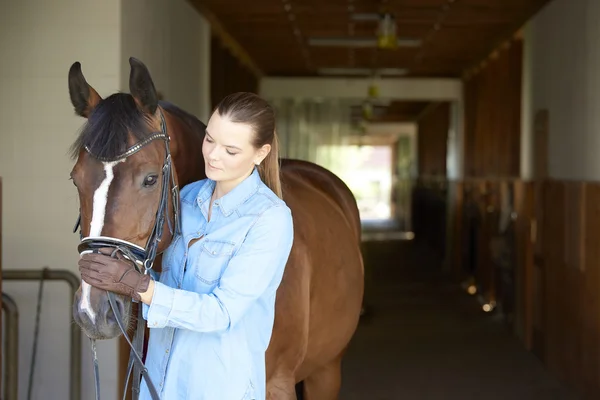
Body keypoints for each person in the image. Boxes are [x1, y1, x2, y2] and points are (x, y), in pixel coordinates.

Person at [78, 92, 295, 400]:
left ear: (260, 154)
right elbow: (173, 285)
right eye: (209, 140)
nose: (214, 155)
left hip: (219, 389)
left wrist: (139, 287)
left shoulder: (269, 219)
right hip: (158, 385)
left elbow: (222, 312)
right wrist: (114, 276)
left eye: (231, 150)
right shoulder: (186, 199)